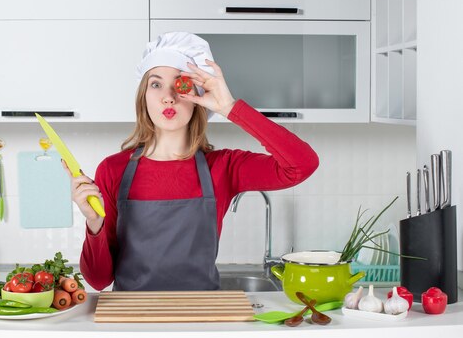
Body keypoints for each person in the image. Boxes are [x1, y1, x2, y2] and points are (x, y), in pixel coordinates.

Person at [63, 32, 319, 291]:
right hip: (134, 318)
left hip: (202, 316)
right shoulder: (113, 169)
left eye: (180, 84)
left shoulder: (224, 167)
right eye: (155, 84)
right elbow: (98, 280)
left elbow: (302, 164)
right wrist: (94, 224)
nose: (168, 96)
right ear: (143, 97)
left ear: (198, 97)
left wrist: (229, 107)